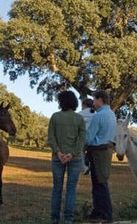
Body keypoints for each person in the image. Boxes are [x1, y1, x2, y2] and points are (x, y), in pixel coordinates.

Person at [47, 91, 86, 224]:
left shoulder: (55, 117)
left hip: (57, 158)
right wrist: (72, 154)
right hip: (74, 159)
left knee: (57, 188)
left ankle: (54, 218)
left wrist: (58, 152)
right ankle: (68, 219)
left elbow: (51, 138)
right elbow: (81, 140)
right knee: (71, 189)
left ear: (61, 102)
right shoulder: (79, 119)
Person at [86, 91, 116, 223]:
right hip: (107, 150)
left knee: (99, 183)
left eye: (94, 100)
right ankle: (98, 211)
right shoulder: (112, 114)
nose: (93, 103)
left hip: (97, 151)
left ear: (100, 100)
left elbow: (89, 137)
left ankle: (105, 213)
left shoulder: (98, 116)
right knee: (101, 180)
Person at [78, 98, 95, 175]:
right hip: (93, 138)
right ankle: (92, 169)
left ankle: (85, 168)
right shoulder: (96, 114)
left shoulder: (79, 114)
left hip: (83, 137)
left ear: (84, 105)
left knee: (80, 151)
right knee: (92, 153)